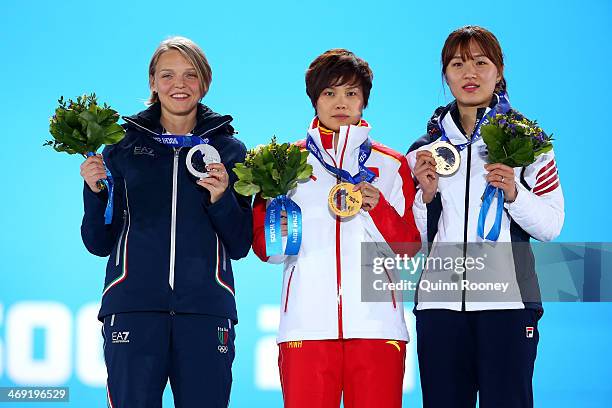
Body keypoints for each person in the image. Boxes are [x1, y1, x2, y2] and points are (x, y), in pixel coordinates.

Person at [79, 36, 252, 408]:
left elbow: (239, 245)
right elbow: (98, 241)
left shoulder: (230, 150)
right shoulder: (121, 147)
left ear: (204, 83)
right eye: (168, 75)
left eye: (191, 75)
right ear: (153, 83)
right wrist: (95, 192)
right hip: (134, 308)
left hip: (205, 311)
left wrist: (221, 199)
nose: (179, 85)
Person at [252, 49, 421, 408]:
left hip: (377, 328)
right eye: (329, 93)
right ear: (314, 99)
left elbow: (409, 247)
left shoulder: (391, 164)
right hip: (306, 326)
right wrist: (279, 229)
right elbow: (266, 251)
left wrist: (380, 209)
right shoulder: (283, 161)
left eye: (351, 93)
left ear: (364, 101)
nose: (340, 102)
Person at [406, 26, 564, 408]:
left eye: (481, 62)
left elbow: (551, 226)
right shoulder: (425, 149)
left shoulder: (530, 144)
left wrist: (513, 193)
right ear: (445, 74)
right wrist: (425, 197)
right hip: (439, 307)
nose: (469, 73)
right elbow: (415, 243)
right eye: (457, 64)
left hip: (509, 306)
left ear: (499, 70)